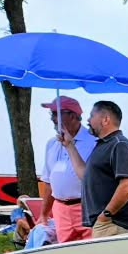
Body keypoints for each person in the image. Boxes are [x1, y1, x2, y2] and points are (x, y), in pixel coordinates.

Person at [65, 99, 128, 238]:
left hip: (114, 226)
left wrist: (106, 215)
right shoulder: (103, 146)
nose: (87, 120)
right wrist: (69, 145)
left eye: (92, 116)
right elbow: (85, 175)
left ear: (105, 119)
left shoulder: (120, 145)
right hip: (105, 225)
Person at [39, 96, 98, 243]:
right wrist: (44, 214)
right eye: (51, 114)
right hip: (61, 210)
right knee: (65, 253)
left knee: (91, 252)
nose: (52, 118)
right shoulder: (51, 144)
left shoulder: (94, 142)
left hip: (86, 208)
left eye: (55, 113)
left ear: (72, 115)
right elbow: (48, 182)